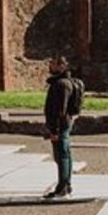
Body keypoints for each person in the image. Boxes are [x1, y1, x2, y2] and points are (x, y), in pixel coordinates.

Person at [43, 55, 77, 199]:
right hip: (62, 125)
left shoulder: (62, 84)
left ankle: (63, 187)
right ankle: (64, 186)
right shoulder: (62, 83)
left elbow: (60, 110)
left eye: (52, 63)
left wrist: (54, 130)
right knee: (64, 155)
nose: (50, 66)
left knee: (62, 156)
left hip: (60, 126)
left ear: (61, 66)